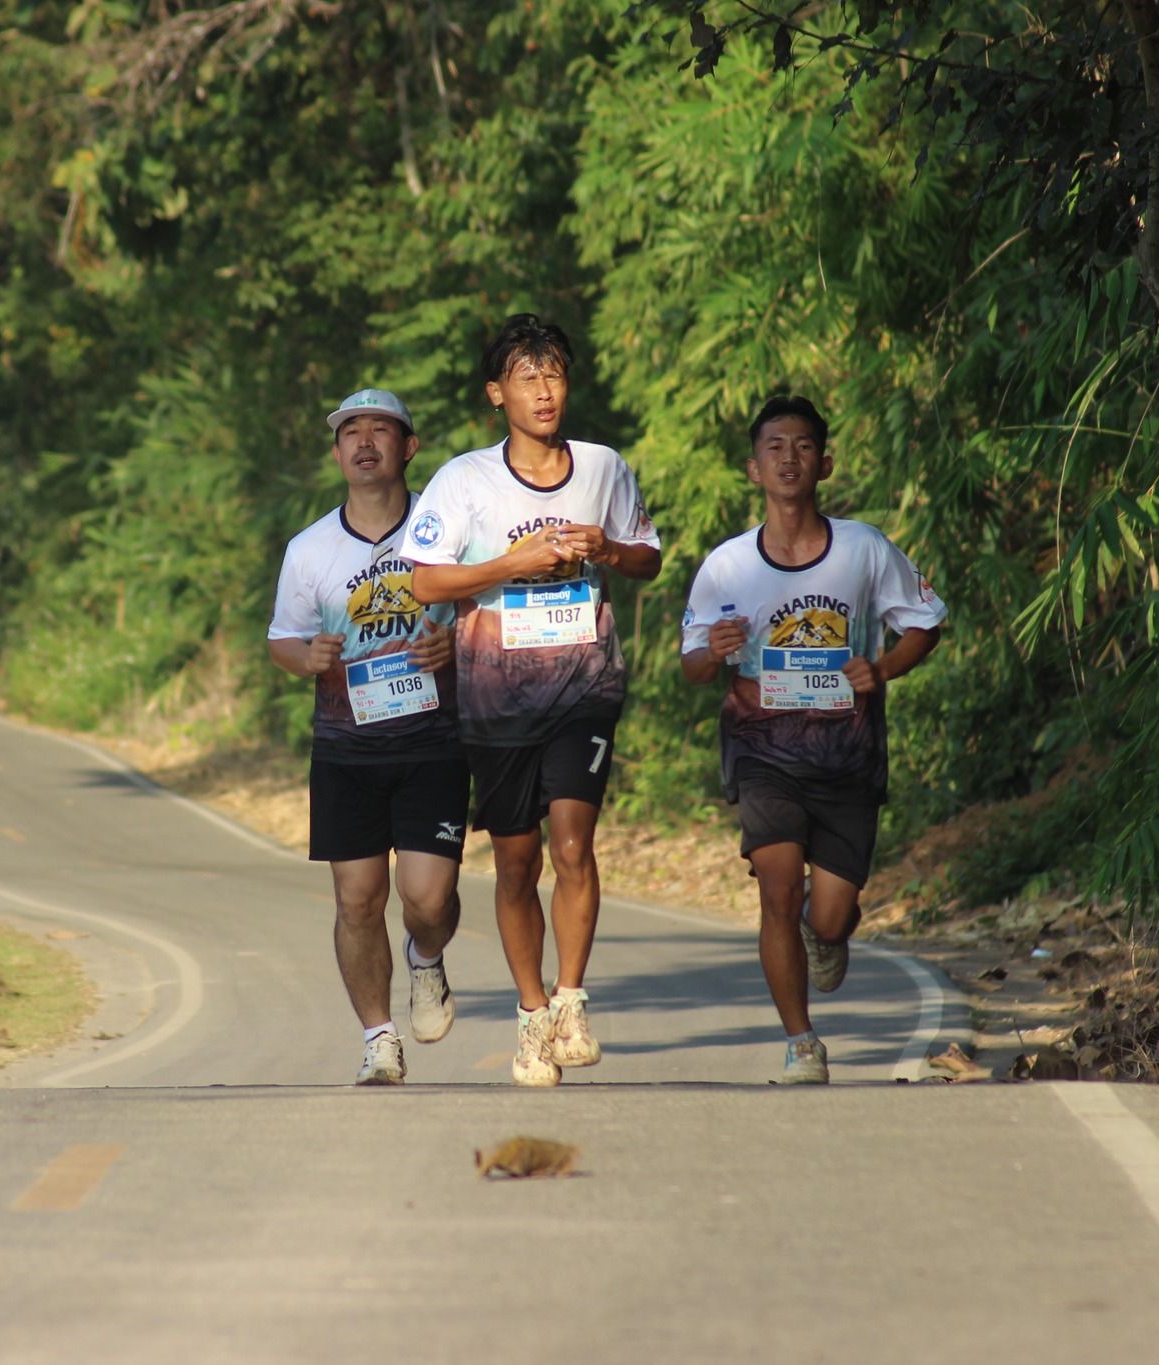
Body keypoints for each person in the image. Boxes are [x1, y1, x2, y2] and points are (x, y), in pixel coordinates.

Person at [403, 315, 663, 1087]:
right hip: (495, 697)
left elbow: (646, 556)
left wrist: (607, 549)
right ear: (497, 393)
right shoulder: (464, 480)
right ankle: (531, 1014)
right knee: (515, 864)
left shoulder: (603, 468)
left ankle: (573, 998)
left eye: (555, 374)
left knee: (573, 842)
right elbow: (425, 580)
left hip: (585, 686)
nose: (544, 390)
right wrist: (512, 561)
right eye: (527, 376)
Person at [680, 394, 946, 1083]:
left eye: (802, 446)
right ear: (753, 467)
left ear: (824, 462)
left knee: (828, 914)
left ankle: (822, 930)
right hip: (762, 747)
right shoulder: (727, 565)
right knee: (775, 885)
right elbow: (693, 666)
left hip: (846, 752)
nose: (789, 457)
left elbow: (925, 621)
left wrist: (881, 667)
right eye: (774, 446)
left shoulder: (863, 548)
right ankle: (801, 1041)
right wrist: (713, 647)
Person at [268, 388, 467, 1085]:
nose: (364, 442)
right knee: (356, 899)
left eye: (380, 430)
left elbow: (487, 611)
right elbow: (282, 639)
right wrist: (307, 658)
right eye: (351, 431)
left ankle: (427, 956)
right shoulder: (310, 548)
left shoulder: (446, 537)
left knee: (428, 902)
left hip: (433, 742)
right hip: (346, 750)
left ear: (407, 449)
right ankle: (379, 1035)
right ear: (337, 453)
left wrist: (457, 645)